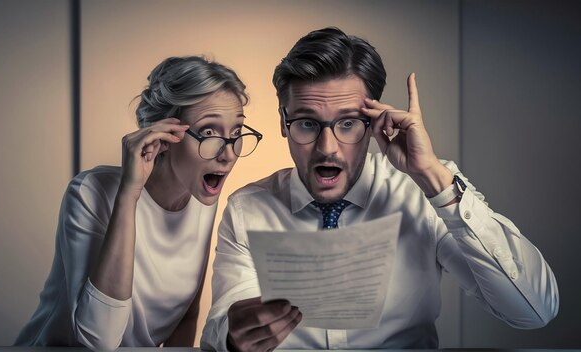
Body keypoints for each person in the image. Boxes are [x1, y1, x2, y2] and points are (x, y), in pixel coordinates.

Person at [201, 27, 558, 351]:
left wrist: (434, 178)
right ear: (283, 122)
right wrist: (232, 336)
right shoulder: (248, 208)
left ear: (373, 123)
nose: (328, 148)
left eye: (348, 123)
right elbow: (221, 328)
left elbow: (534, 311)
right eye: (308, 123)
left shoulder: (425, 193)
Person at [15, 56, 262, 350]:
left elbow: (186, 315)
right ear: (167, 134)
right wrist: (129, 195)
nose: (228, 153)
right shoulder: (89, 193)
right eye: (209, 132)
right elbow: (98, 338)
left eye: (236, 133)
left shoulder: (202, 195)